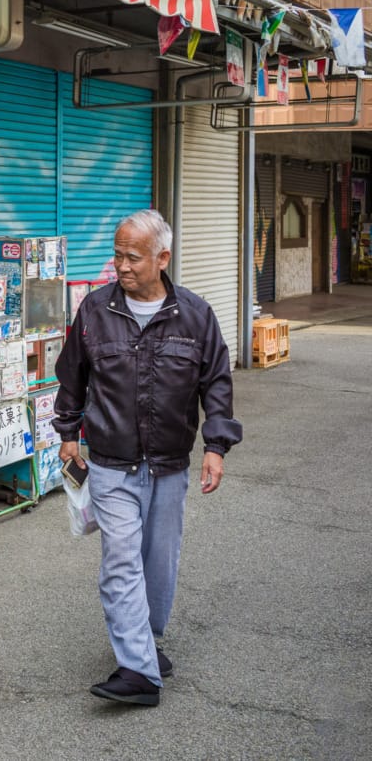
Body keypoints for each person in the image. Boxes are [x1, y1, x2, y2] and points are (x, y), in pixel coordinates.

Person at [53, 209, 242, 707]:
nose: (121, 265)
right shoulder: (94, 310)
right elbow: (72, 373)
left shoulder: (196, 315)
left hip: (169, 465)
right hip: (112, 465)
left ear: (162, 257)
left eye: (132, 257)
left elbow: (216, 384)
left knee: (158, 564)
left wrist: (216, 447)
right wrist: (68, 433)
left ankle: (146, 642)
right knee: (120, 560)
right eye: (117, 255)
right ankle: (138, 671)